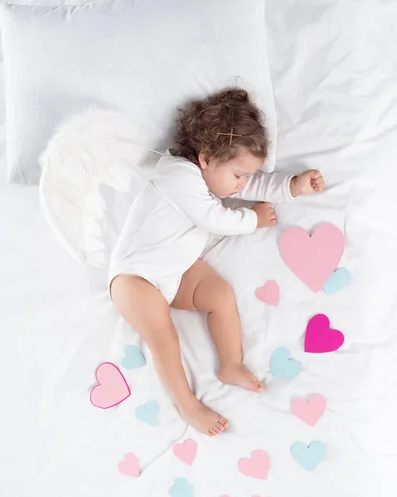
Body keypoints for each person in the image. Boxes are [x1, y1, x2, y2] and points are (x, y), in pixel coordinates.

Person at [109, 87, 325, 436]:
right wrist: (254, 220)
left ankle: (231, 364)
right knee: (164, 337)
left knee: (220, 294)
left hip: (175, 272)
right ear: (206, 157)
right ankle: (189, 405)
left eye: (245, 176)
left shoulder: (214, 174)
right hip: (135, 278)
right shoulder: (177, 174)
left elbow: (253, 185)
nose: (242, 185)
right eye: (238, 175)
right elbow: (215, 219)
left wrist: (293, 186)